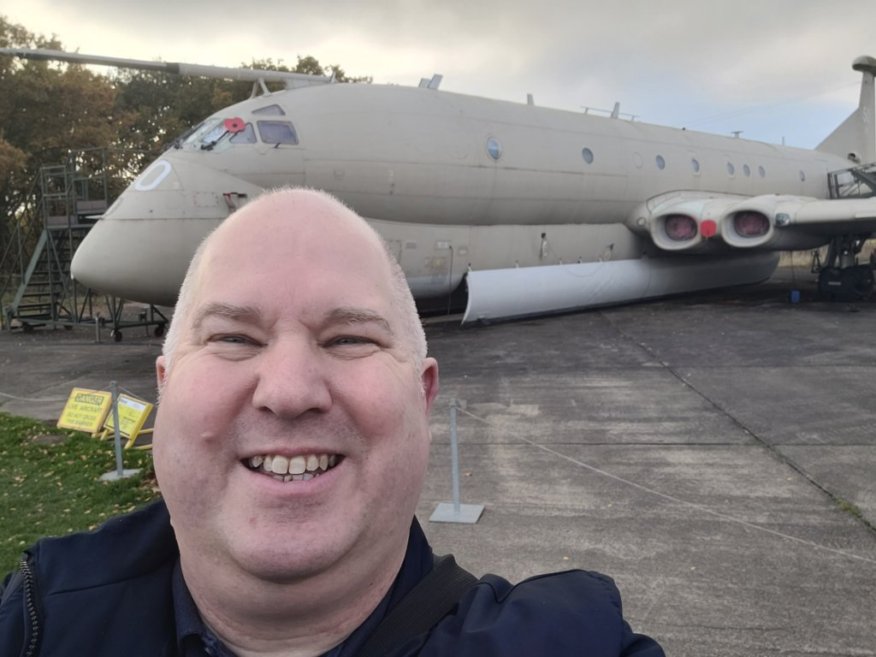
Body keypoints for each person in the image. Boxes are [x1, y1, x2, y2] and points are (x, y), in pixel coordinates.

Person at [0, 188, 665, 656]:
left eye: (350, 339)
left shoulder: (568, 641)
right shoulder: (31, 623)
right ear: (167, 390)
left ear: (423, 397)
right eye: (233, 337)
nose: (288, 392)